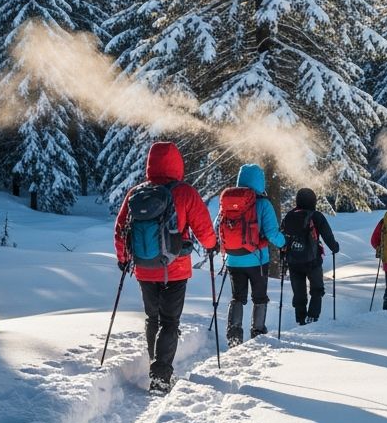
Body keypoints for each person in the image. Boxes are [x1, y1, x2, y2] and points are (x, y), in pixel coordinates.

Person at [114, 141, 216, 394]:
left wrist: (123, 258)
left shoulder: (137, 193)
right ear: (177, 164)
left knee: (152, 318)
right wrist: (212, 245)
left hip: (144, 269)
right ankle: (161, 375)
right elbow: (203, 227)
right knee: (170, 321)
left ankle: (155, 364)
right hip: (175, 269)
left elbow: (120, 229)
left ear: (151, 163)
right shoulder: (185, 193)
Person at [218, 164, 285, 346]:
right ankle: (257, 332)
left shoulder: (228, 201)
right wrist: (283, 243)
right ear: (260, 181)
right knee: (259, 296)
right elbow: (272, 233)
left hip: (233, 259)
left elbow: (220, 227)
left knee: (237, 296)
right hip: (257, 260)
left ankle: (234, 333)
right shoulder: (263, 204)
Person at [281, 187, 341, 325]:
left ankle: (300, 319)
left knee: (299, 291)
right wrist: (334, 247)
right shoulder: (317, 216)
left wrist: (283, 254)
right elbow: (327, 235)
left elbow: (282, 236)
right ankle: (313, 316)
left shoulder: (290, 216)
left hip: (293, 260)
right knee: (317, 288)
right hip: (312, 260)